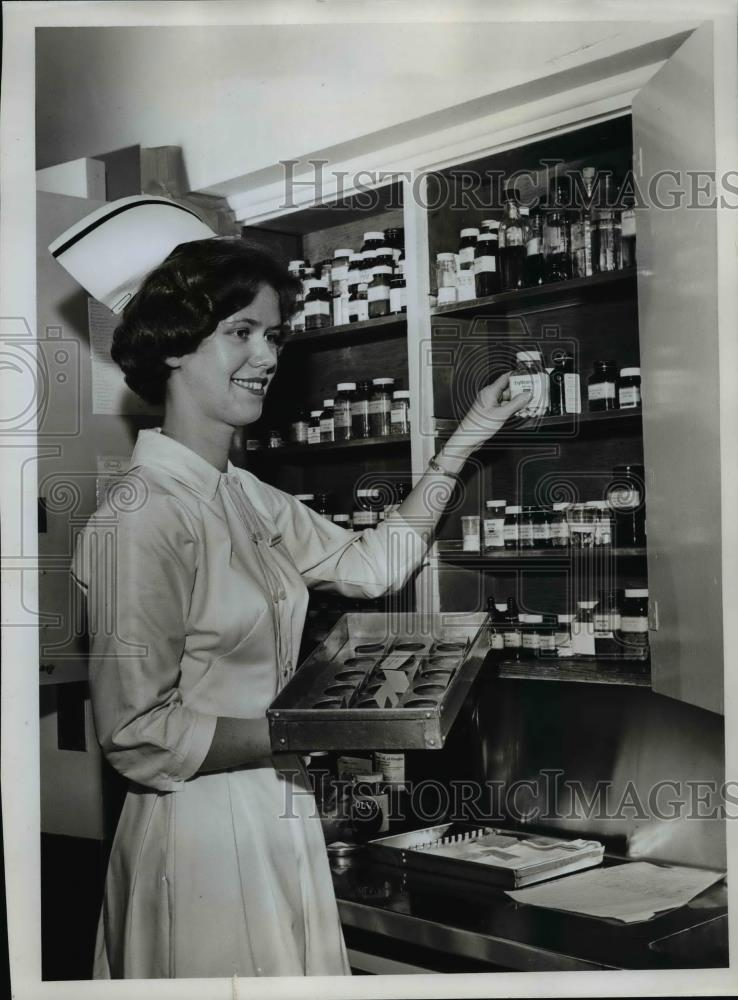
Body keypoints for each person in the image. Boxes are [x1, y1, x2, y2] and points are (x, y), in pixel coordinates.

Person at [69, 236, 531, 979]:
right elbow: (135, 733)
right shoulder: (141, 515)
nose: (267, 355)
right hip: (198, 840)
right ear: (176, 348)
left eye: (273, 334)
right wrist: (315, 725)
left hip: (277, 808)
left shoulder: (243, 496)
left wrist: (466, 439)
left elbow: (371, 565)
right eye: (240, 332)